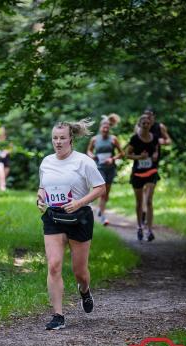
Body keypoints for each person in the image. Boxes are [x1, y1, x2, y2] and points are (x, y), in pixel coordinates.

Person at [37, 119, 106, 330]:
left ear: (71, 139)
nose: (58, 142)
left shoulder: (83, 161)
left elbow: (100, 187)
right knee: (54, 265)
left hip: (79, 218)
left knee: (80, 272)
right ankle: (58, 315)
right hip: (54, 217)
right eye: (55, 138)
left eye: (62, 138)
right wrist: (39, 199)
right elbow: (42, 187)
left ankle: (84, 290)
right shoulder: (46, 161)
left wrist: (79, 202)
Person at [126, 114, 159, 242]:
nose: (146, 125)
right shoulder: (135, 139)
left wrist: (155, 155)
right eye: (143, 123)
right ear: (140, 125)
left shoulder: (154, 138)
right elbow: (127, 155)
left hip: (151, 171)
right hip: (138, 173)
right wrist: (139, 157)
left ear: (150, 125)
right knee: (140, 202)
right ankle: (139, 227)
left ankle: (149, 230)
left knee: (149, 201)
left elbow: (156, 149)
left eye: (148, 123)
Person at [136, 109, 172, 224]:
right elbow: (134, 141)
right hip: (140, 160)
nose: (148, 118)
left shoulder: (159, 127)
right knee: (142, 188)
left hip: (153, 161)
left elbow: (169, 140)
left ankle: (146, 211)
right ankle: (143, 211)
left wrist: (160, 141)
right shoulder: (139, 126)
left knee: (149, 187)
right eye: (145, 116)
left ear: (153, 117)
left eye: (150, 116)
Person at [86, 114, 123, 225]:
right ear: (100, 128)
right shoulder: (94, 139)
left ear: (109, 128)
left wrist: (112, 158)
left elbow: (122, 153)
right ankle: (102, 216)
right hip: (99, 168)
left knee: (106, 193)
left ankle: (100, 210)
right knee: (102, 191)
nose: (106, 129)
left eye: (107, 127)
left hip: (110, 168)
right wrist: (91, 155)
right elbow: (89, 151)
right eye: (104, 127)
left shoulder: (113, 139)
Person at [0, 126, 12, 191]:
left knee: (3, 176)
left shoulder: (8, 139)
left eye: (2, 130)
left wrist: (6, 152)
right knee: (1, 175)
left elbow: (11, 148)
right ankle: (2, 189)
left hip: (6, 160)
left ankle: (1, 189)